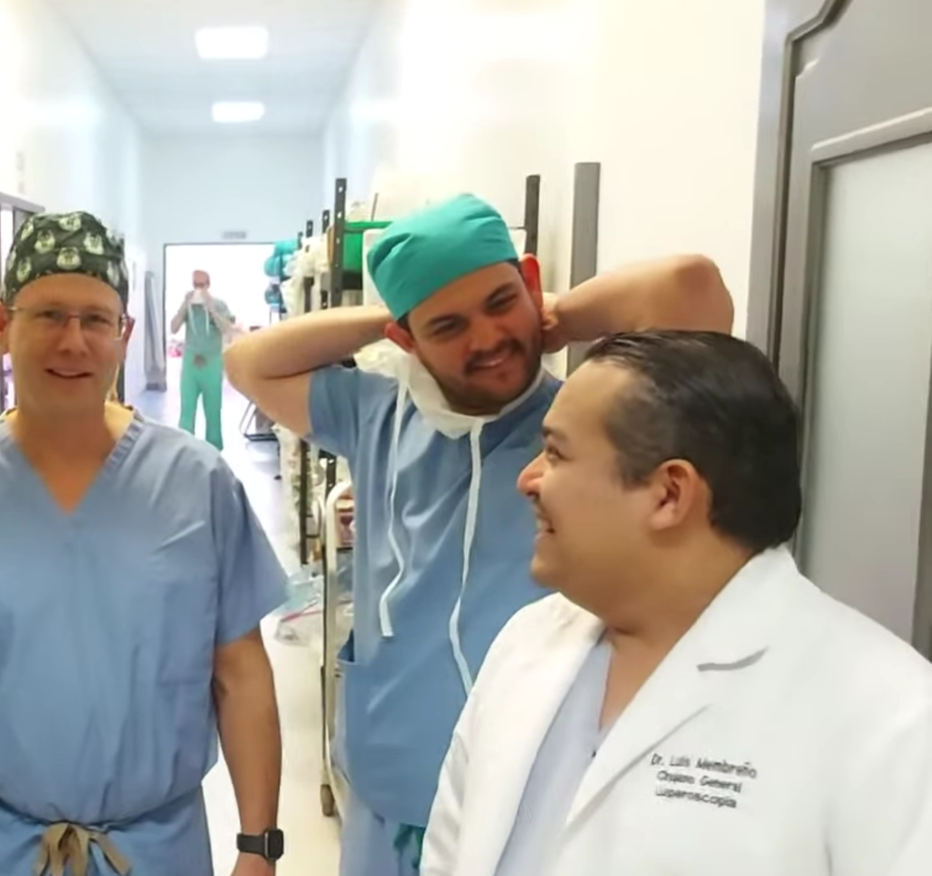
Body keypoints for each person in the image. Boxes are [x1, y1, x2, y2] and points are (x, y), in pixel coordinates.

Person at [224, 193, 734, 876]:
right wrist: (388, 315)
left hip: (538, 782)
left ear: (529, 281)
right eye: (447, 325)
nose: (487, 338)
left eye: (499, 301)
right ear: (406, 342)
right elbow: (249, 362)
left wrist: (548, 316)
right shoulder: (376, 416)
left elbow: (688, 288)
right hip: (395, 780)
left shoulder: (588, 420)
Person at [0, 210, 288, 876]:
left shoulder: (195, 485)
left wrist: (258, 845)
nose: (73, 342)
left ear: (123, 334)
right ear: (1, 324)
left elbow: (239, 673)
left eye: (95, 320)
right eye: (48, 316)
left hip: (158, 847)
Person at [421, 330, 932, 876]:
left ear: (668, 494)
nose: (528, 480)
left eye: (556, 453)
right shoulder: (528, 642)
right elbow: (449, 853)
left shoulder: (894, 718)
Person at [172, 269, 239, 449]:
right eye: (195, 285)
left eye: (202, 285)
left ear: (209, 285)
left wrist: (212, 310)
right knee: (187, 409)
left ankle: (214, 447)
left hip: (212, 363)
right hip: (191, 363)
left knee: (213, 410)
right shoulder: (189, 306)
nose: (198, 289)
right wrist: (183, 307)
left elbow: (228, 330)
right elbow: (173, 328)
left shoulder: (219, 304)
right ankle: (184, 447)